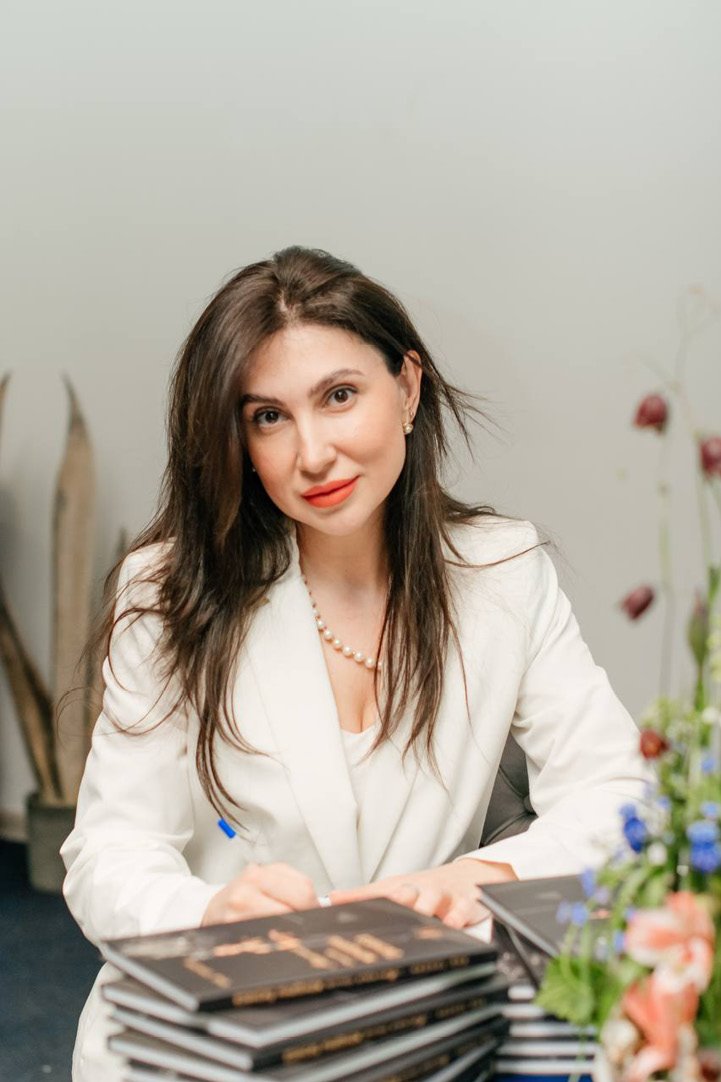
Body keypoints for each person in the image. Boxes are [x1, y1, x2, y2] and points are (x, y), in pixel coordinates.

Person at [61, 245, 647, 1080]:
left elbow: (617, 795)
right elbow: (109, 852)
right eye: (269, 416)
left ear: (406, 389)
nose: (312, 453)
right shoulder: (167, 592)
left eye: (339, 396)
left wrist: (484, 873)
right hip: (213, 1038)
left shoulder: (501, 572)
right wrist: (210, 914)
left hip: (413, 1035)